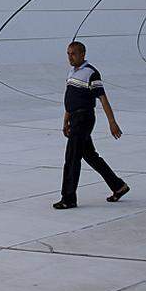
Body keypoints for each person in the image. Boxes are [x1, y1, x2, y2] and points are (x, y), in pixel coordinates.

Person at [53, 41, 129, 209]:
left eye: (73, 53)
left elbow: (103, 98)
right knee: (90, 156)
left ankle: (68, 198)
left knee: (72, 157)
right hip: (74, 118)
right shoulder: (72, 72)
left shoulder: (91, 73)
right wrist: (65, 120)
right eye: (68, 53)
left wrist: (112, 122)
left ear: (82, 54)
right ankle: (118, 186)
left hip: (84, 118)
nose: (70, 57)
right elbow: (70, 99)